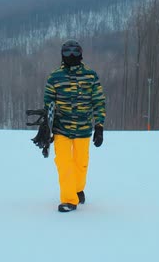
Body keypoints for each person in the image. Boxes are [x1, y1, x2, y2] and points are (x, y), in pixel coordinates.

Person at [42, 39, 106, 212]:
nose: (72, 56)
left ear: (81, 54)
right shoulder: (55, 77)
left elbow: (98, 101)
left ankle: (77, 190)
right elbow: (48, 104)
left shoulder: (90, 76)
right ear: (62, 55)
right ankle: (69, 199)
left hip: (83, 128)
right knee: (64, 163)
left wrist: (99, 126)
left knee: (81, 163)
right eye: (68, 52)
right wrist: (45, 128)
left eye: (75, 52)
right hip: (61, 128)